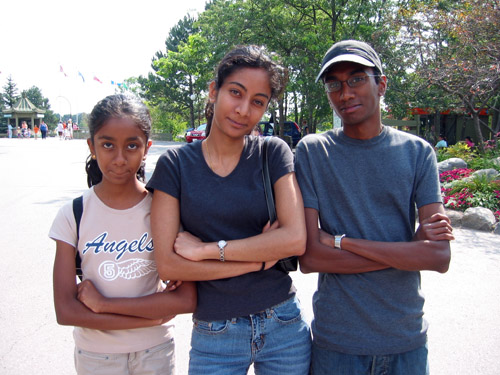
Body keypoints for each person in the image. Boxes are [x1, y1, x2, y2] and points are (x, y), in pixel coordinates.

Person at [147, 45, 311, 375]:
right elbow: (167, 263)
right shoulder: (175, 166)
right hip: (215, 333)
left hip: (283, 323)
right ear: (214, 91)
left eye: (258, 101)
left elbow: (294, 240)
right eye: (235, 93)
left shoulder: (273, 153)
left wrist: (207, 251)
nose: (243, 109)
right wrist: (261, 258)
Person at [294, 40, 454, 375]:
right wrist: (408, 250)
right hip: (337, 344)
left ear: (380, 84)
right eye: (334, 84)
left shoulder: (418, 153)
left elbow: (438, 257)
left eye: (356, 79)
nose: (345, 93)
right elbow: (311, 258)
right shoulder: (313, 152)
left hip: (405, 341)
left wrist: (341, 242)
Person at [49, 94, 197, 375]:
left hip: (155, 352)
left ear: (146, 148)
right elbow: (65, 310)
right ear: (92, 146)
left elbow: (185, 299)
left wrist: (103, 306)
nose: (119, 158)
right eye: (107, 145)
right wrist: (150, 318)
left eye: (132, 145)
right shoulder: (74, 214)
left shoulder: (165, 210)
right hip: (96, 356)